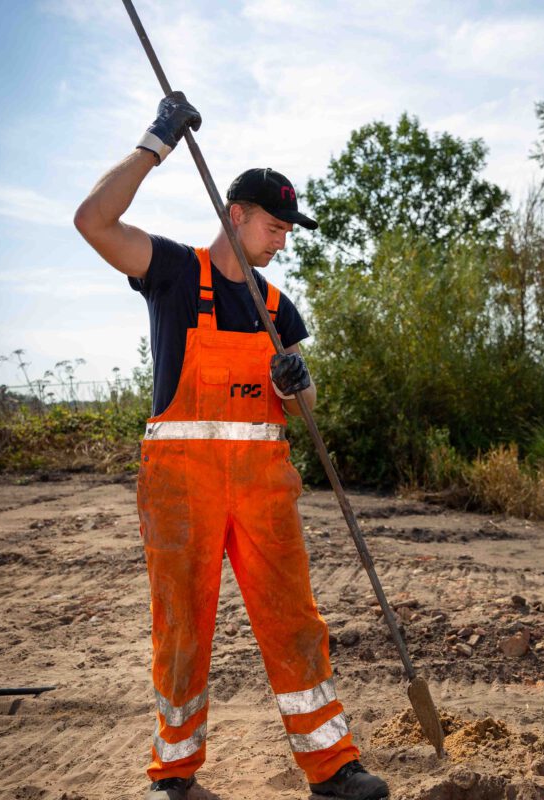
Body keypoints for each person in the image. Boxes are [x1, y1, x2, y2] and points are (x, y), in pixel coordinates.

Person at [74, 92, 389, 800]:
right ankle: (175, 776)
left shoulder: (279, 308)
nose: (283, 241)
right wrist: (158, 141)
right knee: (181, 628)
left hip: (263, 488)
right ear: (234, 215)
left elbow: (305, 412)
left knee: (294, 620)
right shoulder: (173, 272)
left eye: (288, 231)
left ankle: (333, 767)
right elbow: (92, 221)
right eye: (274, 227)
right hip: (181, 485)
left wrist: (297, 383)